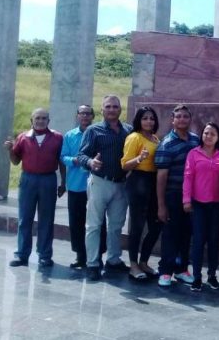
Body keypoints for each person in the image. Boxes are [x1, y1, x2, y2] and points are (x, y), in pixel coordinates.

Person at [77, 95, 133, 281]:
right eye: (108, 106)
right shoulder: (93, 131)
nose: (111, 109)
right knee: (94, 225)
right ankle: (92, 263)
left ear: (120, 109)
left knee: (116, 225)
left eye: (115, 106)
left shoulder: (128, 131)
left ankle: (113, 260)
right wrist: (91, 162)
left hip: (121, 184)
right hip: (100, 182)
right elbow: (82, 155)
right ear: (102, 110)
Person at [5, 108, 66, 267]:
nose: (40, 121)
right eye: (37, 118)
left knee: (46, 219)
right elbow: (15, 161)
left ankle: (45, 255)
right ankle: (22, 254)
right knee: (25, 218)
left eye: (44, 118)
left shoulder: (57, 138)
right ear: (31, 121)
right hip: (28, 179)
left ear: (48, 121)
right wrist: (10, 150)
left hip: (48, 179)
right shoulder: (23, 137)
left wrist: (63, 183)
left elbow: (62, 161)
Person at [155, 105, 200, 287]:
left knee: (186, 233)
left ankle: (181, 269)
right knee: (170, 234)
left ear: (190, 119)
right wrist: (161, 205)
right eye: (178, 116)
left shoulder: (196, 141)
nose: (182, 119)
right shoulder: (166, 144)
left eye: (185, 116)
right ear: (172, 120)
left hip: (191, 196)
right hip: (173, 195)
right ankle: (165, 271)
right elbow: (161, 176)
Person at [183, 122, 219, 292]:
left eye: (212, 134)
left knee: (214, 241)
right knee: (198, 241)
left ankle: (212, 276)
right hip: (198, 205)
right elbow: (188, 177)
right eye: (206, 133)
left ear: (218, 137)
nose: (208, 136)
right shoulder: (193, 154)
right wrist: (186, 200)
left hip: (217, 205)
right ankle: (196, 277)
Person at [60, 105, 106, 269]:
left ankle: (97, 255)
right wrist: (75, 160)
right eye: (82, 113)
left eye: (88, 113)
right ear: (77, 116)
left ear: (93, 116)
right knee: (76, 221)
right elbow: (63, 156)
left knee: (97, 222)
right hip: (76, 185)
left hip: (96, 184)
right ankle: (80, 255)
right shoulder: (70, 135)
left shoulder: (99, 133)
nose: (85, 116)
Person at [121, 106, 161, 281]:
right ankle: (133, 265)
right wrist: (139, 158)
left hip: (154, 181)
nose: (148, 121)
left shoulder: (155, 138)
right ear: (139, 120)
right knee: (137, 225)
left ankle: (144, 261)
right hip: (138, 181)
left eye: (151, 118)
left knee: (156, 224)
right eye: (145, 118)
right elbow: (124, 164)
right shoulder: (134, 137)